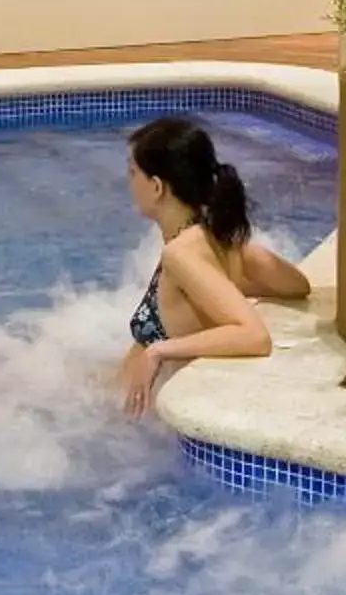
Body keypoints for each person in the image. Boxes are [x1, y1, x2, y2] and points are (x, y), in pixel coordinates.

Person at [119, 114, 310, 417]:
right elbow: (298, 285)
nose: (128, 183)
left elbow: (255, 337)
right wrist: (223, 284)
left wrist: (158, 350)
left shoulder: (182, 253)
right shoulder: (216, 239)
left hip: (136, 420)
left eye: (132, 173)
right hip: (132, 410)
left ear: (157, 187)